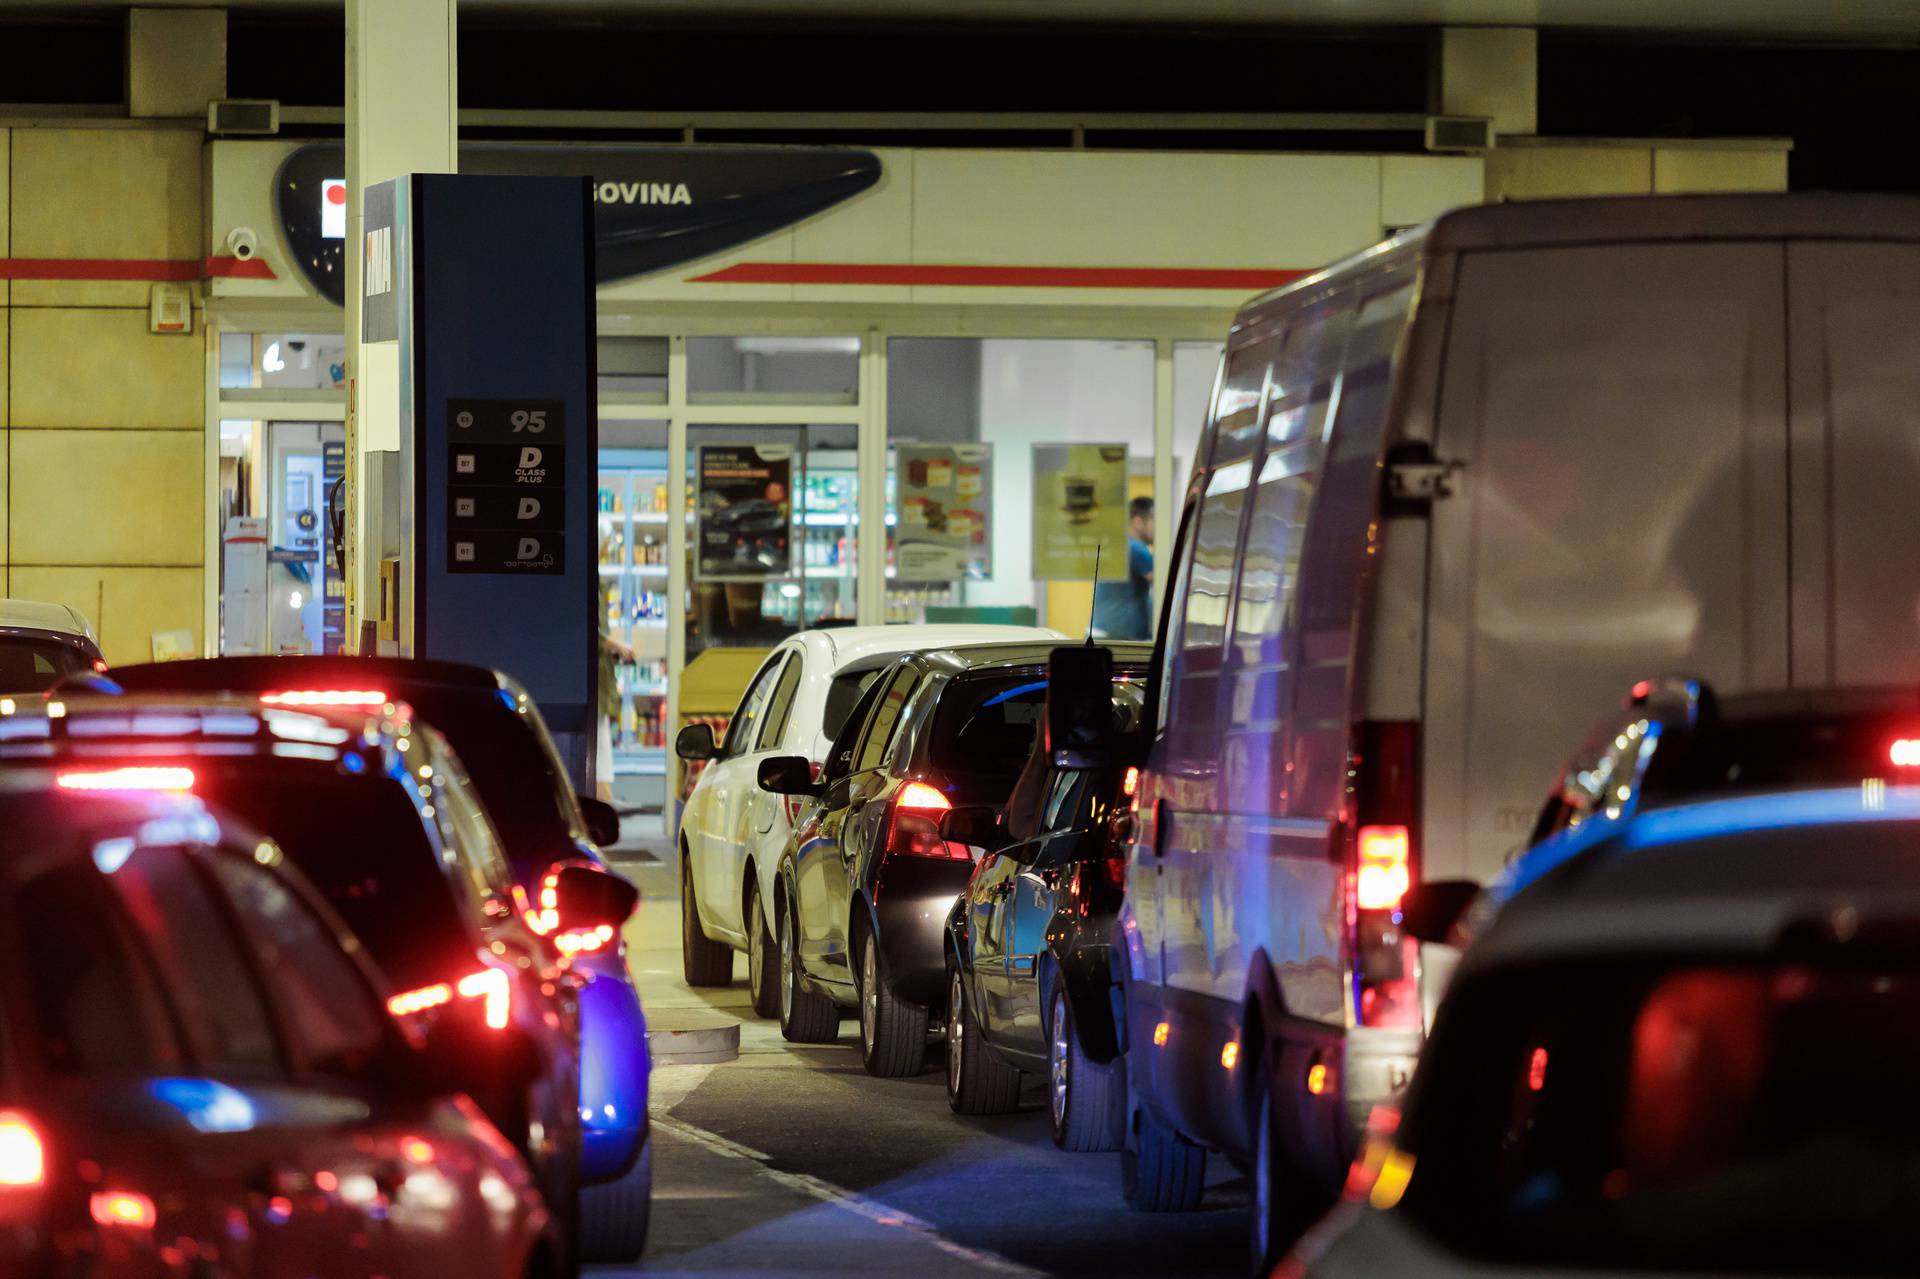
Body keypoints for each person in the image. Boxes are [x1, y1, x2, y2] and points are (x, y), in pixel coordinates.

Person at [1090, 496, 1154, 640]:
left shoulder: (1120, 545)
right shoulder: (1136, 549)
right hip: (1120, 639)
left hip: (1103, 632)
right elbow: (1167, 584)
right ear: (1138, 522)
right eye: (1153, 520)